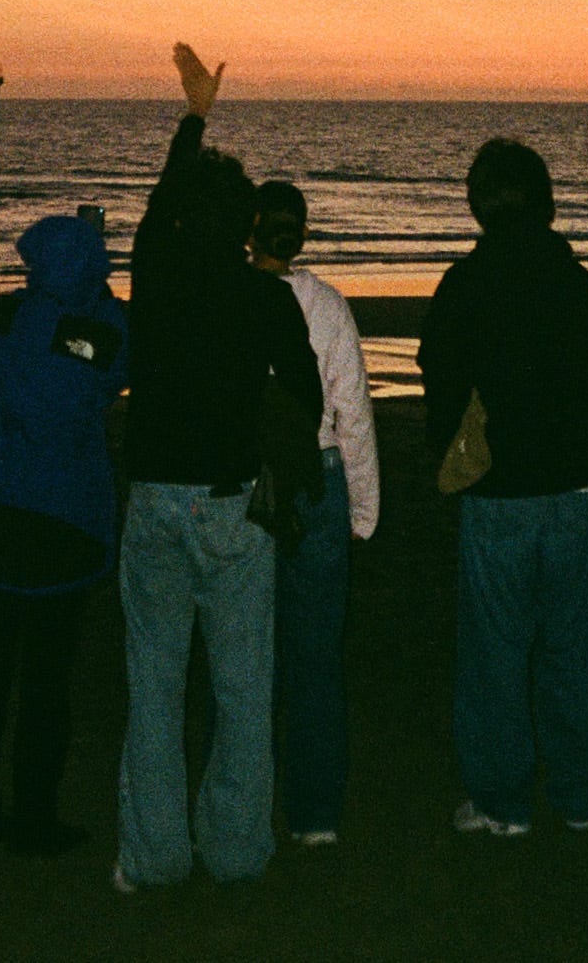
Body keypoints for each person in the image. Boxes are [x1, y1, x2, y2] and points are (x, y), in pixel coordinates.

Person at [115, 44, 324, 890]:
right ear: (245, 226)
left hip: (154, 495)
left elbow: (158, 206)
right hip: (234, 500)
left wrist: (195, 117)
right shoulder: (265, 297)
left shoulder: (155, 274)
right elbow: (306, 393)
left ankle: (154, 856)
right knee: (242, 689)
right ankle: (236, 851)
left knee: (154, 686)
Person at [417, 137, 588, 839]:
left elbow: (438, 374)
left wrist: (456, 444)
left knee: (495, 650)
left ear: (480, 205)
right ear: (545, 202)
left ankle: (503, 802)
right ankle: (579, 796)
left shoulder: (467, 283)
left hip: (498, 489)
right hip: (572, 487)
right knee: (571, 646)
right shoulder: (576, 284)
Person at [0, 211, 127, 856]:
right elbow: (115, 368)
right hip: (60, 521)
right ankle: (33, 817)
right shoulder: (93, 333)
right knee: (47, 680)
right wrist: (101, 302)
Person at [248, 178, 379, 846]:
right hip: (318, 476)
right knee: (316, 656)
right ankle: (316, 814)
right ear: (301, 233)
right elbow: (352, 411)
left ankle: (244, 805)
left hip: (249, 478)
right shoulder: (326, 305)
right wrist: (363, 509)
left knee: (246, 652)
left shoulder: (233, 298)